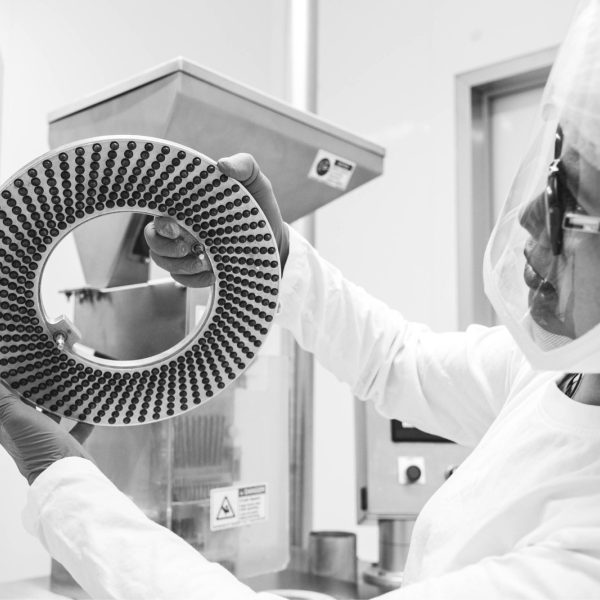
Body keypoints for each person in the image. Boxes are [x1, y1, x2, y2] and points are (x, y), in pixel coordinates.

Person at [3, 0, 600, 598]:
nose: (531, 218)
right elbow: (396, 359)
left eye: (571, 206)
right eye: (553, 175)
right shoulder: (558, 371)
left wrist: (61, 481)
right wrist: (276, 256)